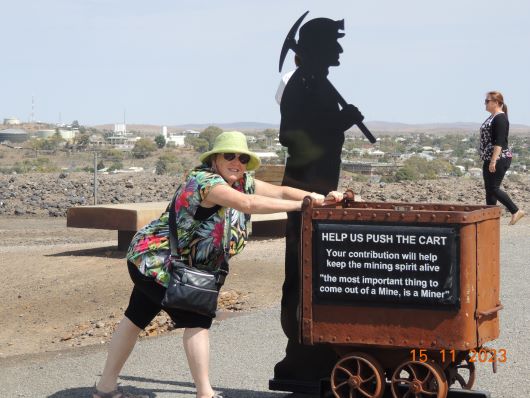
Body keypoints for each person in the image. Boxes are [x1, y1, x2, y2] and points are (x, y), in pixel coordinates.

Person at [92, 131, 343, 398]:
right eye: (230, 155)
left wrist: (319, 197)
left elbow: (280, 191)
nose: (237, 162)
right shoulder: (205, 182)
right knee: (197, 320)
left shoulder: (241, 181)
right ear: (215, 159)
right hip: (158, 262)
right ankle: (205, 393)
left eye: (243, 157)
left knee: (135, 318)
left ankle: (105, 387)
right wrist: (303, 205)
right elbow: (247, 204)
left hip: (167, 265)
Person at [273, 17, 364, 389]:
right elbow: (291, 135)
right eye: (333, 44)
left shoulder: (317, 82)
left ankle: (319, 347)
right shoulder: (301, 84)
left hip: (321, 190)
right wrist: (340, 122)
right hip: (304, 192)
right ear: (316, 50)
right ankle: (301, 351)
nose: (339, 51)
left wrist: (339, 122)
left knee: (316, 269)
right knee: (302, 270)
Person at [479, 91, 525, 225]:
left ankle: (515, 211)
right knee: (489, 190)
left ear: (497, 103)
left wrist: (493, 160)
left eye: (487, 101)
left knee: (493, 188)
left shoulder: (500, 118)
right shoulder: (493, 117)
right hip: (490, 158)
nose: (485, 103)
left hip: (499, 158)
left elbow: (499, 142)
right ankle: (490, 219)